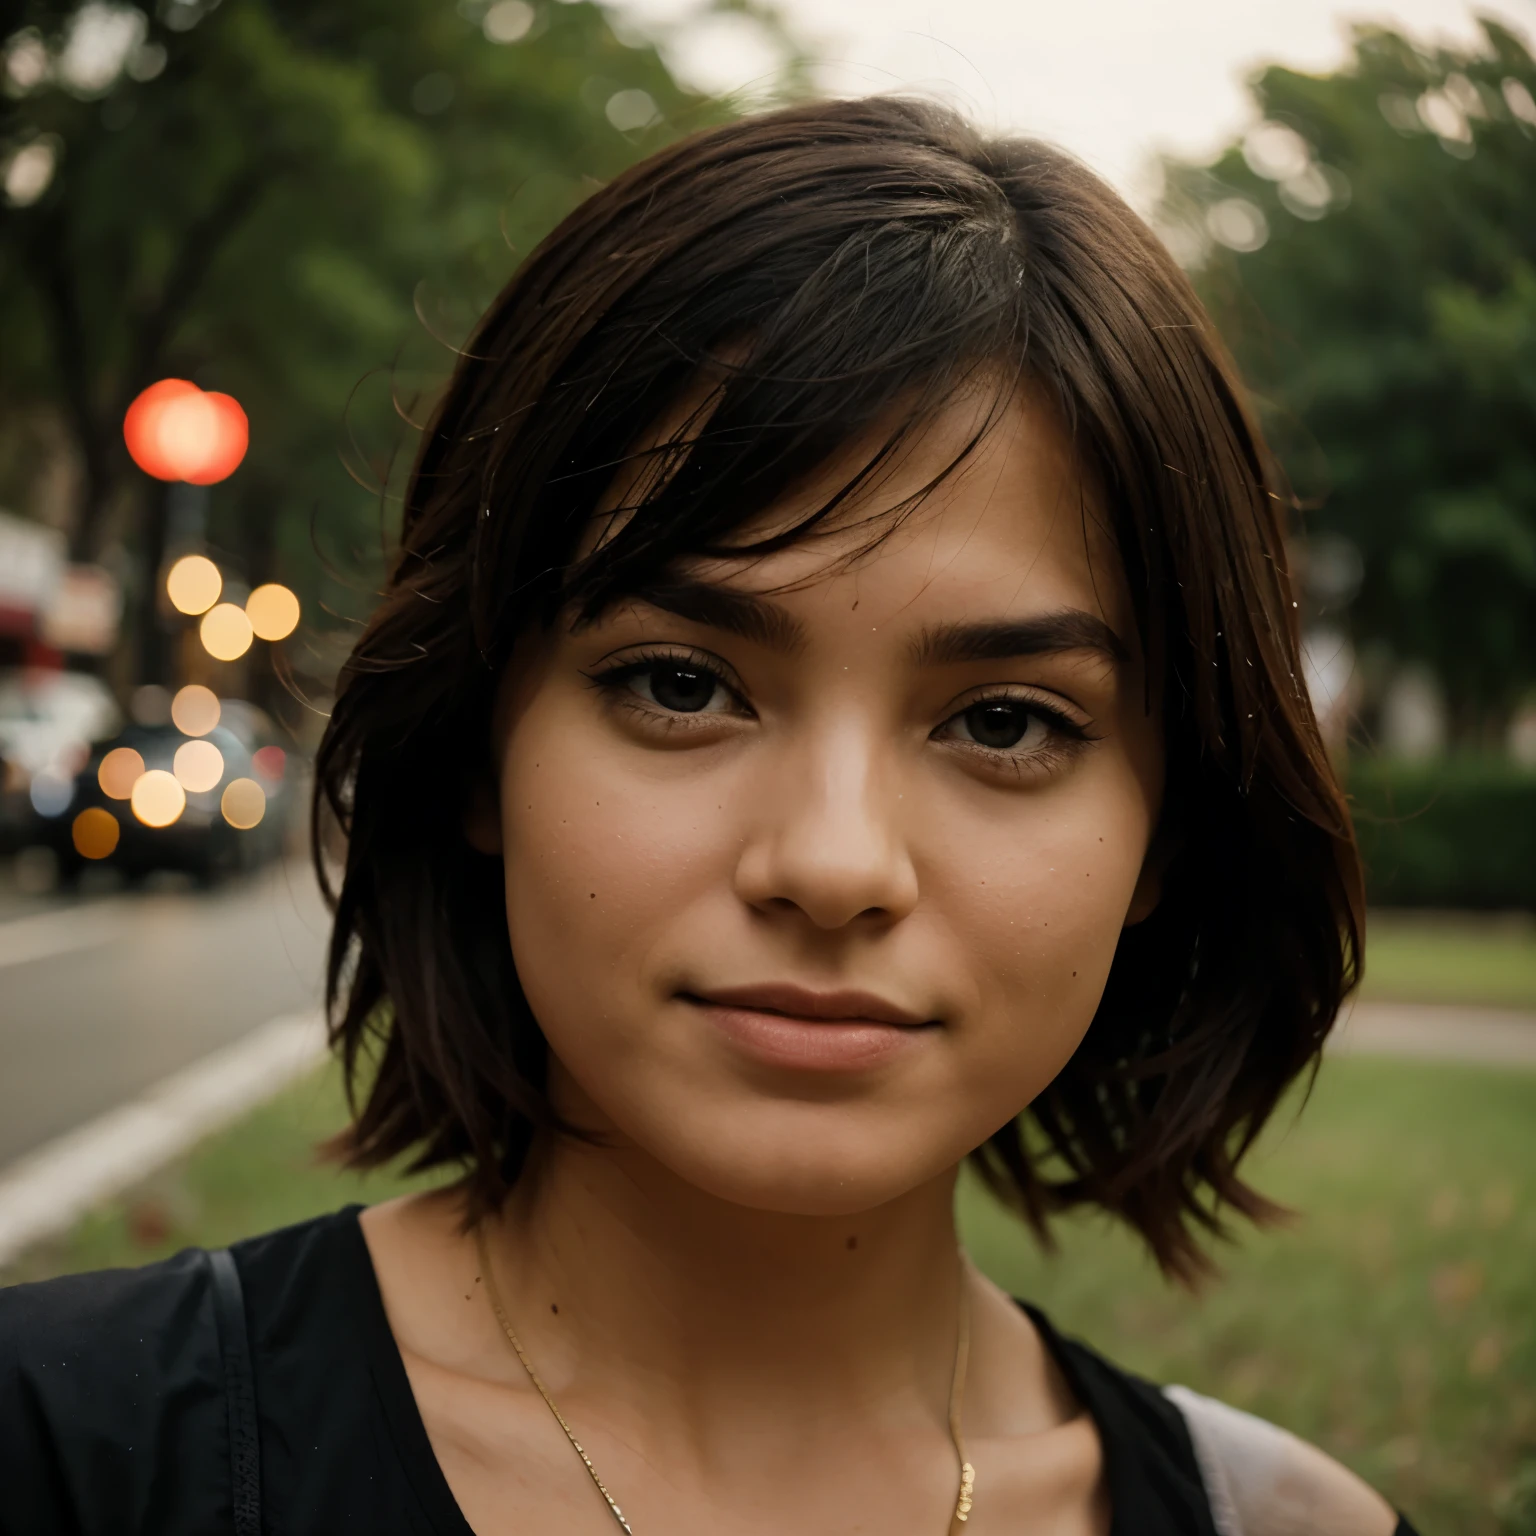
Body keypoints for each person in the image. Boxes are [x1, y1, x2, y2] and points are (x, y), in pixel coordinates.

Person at [0, 97, 1419, 1536]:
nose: (831, 862)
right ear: (483, 745)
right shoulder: (68, 1454)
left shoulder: (1288, 1523)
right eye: (682, 685)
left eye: (1005, 722)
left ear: (1165, 835)